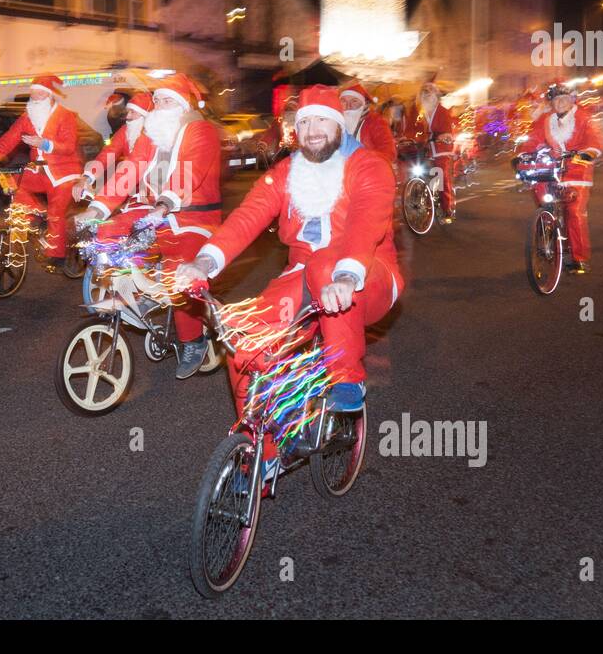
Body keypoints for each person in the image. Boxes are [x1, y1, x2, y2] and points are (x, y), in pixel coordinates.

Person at [176, 85, 401, 488]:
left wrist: (348, 277)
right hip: (304, 273)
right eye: (305, 122)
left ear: (338, 123)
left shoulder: (369, 166)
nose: (313, 130)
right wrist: (204, 262)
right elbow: (247, 217)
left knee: (326, 265)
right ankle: (262, 454)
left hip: (367, 275)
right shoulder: (286, 171)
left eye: (321, 120)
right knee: (244, 344)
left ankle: (346, 377)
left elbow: (367, 223)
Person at [79, 73, 223, 378]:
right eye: (156, 100)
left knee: (177, 269)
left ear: (182, 106)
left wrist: (164, 203)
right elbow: (129, 171)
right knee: (107, 231)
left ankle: (193, 341)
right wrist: (96, 208)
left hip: (194, 217)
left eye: (167, 100)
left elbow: (192, 171)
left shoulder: (200, 131)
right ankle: (129, 292)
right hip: (156, 211)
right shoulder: (152, 134)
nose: (159, 105)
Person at [0, 74, 83, 271]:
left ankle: (57, 254)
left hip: (64, 171)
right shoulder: (28, 116)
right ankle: (34, 215)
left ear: (49, 95)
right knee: (14, 183)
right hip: (38, 169)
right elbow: (10, 137)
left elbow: (69, 147)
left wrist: (44, 143)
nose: (35, 97)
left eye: (39, 93)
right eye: (33, 93)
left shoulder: (65, 115)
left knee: (56, 211)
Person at [520, 81, 603, 273]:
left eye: (564, 99)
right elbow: (533, 140)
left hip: (576, 171)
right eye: (556, 99)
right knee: (543, 199)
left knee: (574, 212)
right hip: (551, 169)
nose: (560, 103)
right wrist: (524, 154)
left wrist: (588, 152)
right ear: (552, 102)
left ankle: (578, 258)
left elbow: (595, 139)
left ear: (572, 100)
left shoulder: (583, 118)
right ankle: (546, 233)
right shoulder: (545, 120)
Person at [73, 92, 152, 202]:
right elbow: (108, 153)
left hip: (154, 187)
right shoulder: (126, 130)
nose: (127, 116)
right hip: (130, 185)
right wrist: (87, 177)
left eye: (132, 112)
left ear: (144, 115)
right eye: (128, 111)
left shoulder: (153, 135)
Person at [402, 81, 457, 222]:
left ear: (435, 95)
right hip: (423, 149)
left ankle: (447, 210)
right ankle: (417, 194)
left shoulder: (443, 112)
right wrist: (405, 138)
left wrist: (441, 136)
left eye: (429, 91)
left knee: (441, 177)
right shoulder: (418, 112)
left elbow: (447, 132)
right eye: (424, 91)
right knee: (414, 170)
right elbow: (411, 129)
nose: (427, 94)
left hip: (440, 150)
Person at [338, 81, 397, 165]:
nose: (348, 106)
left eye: (354, 101)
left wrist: (368, 164)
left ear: (363, 103)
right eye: (343, 101)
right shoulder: (336, 122)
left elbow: (388, 152)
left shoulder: (375, 122)